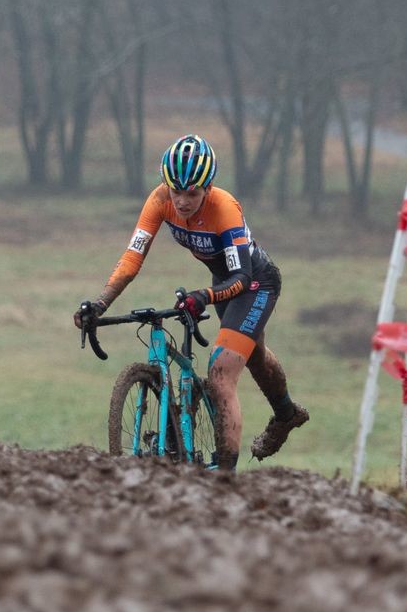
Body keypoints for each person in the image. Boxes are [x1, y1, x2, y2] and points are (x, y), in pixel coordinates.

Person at [73, 134, 308, 474]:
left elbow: (241, 278)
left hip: (254, 283)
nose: (181, 201)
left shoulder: (224, 208)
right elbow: (132, 258)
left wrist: (204, 297)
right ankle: (287, 413)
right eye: (175, 191)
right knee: (253, 354)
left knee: (220, 372)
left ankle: (224, 481)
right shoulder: (158, 200)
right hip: (221, 283)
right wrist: (100, 304)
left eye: (192, 193)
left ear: (208, 188)